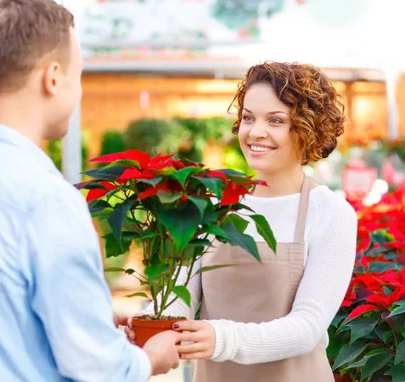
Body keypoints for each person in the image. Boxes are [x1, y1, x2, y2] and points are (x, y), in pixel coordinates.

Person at [0, 0, 181, 382]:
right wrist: (151, 358)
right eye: (78, 76)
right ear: (54, 77)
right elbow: (98, 367)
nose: (78, 91)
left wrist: (89, 320)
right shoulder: (44, 199)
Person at [125, 61, 357, 381]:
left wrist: (221, 339)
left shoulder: (331, 212)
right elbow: (181, 295)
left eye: (275, 120)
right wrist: (148, 325)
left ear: (308, 128)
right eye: (248, 117)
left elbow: (308, 327)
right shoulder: (212, 204)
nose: (255, 132)